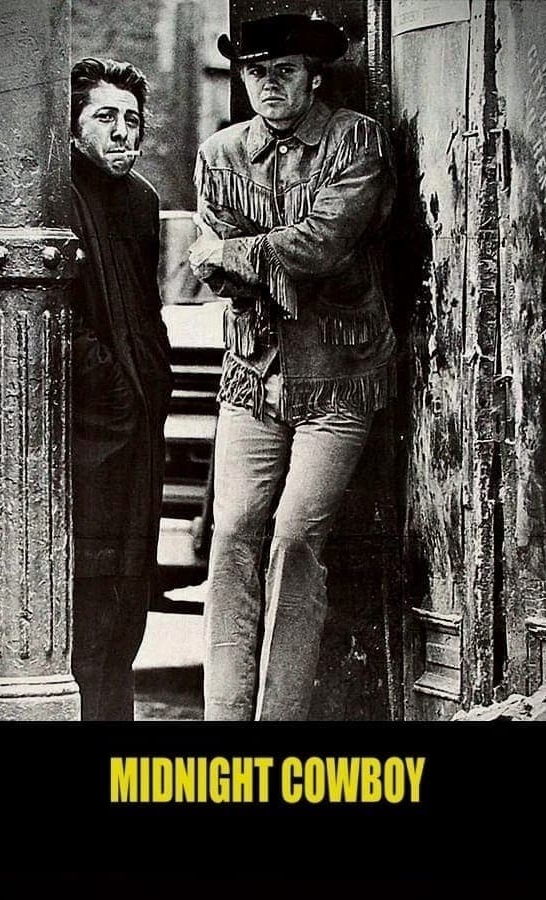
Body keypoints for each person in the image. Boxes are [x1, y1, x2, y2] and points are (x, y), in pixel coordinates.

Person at [189, 14, 397, 721]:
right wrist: (247, 259)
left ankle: (277, 718)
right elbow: (215, 263)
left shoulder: (355, 139)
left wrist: (241, 254)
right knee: (231, 537)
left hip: (340, 372)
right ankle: (225, 716)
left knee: (295, 538)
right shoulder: (220, 153)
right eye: (255, 73)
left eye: (284, 71)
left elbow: (324, 244)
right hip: (253, 374)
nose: (268, 85)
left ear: (313, 76)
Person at [70, 57, 173, 720]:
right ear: (74, 126)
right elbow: (63, 319)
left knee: (127, 599)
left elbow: (146, 308)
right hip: (84, 429)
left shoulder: (141, 201)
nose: (121, 132)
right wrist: (111, 387)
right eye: (105, 116)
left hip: (136, 428)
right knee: (87, 592)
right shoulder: (53, 195)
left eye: (131, 119)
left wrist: (149, 386)